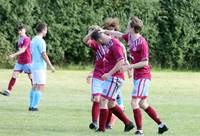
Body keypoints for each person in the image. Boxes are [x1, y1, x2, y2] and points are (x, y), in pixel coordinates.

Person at [102, 16, 168, 135]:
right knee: (143, 104)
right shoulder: (130, 37)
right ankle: (161, 125)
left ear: (132, 28)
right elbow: (119, 34)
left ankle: (139, 131)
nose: (126, 27)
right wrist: (105, 31)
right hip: (138, 77)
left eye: (128, 25)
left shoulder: (142, 42)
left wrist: (129, 67)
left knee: (134, 102)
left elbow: (145, 62)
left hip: (144, 76)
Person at [90, 30, 134, 132]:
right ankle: (128, 123)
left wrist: (109, 74)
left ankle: (101, 129)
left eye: (98, 42)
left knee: (103, 100)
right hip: (112, 78)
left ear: (100, 39)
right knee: (111, 104)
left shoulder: (115, 45)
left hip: (115, 77)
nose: (98, 45)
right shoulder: (109, 44)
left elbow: (120, 61)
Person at [29, 23, 55, 111]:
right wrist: (50, 65)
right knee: (41, 85)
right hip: (39, 66)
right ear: (43, 30)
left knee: (35, 85)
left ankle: (31, 105)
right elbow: (43, 54)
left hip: (34, 65)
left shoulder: (33, 40)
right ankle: (34, 106)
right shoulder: (41, 41)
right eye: (46, 30)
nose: (46, 32)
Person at [83, 25, 106, 129]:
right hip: (98, 74)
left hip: (109, 75)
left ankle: (107, 123)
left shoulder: (110, 43)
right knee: (96, 98)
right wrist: (91, 32)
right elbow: (85, 40)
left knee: (106, 101)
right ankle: (94, 123)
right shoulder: (96, 45)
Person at [0, 25, 32, 96]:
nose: (19, 31)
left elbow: (23, 50)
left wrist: (13, 55)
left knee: (31, 77)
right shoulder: (20, 39)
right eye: (19, 30)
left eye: (21, 30)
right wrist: (16, 55)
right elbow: (20, 50)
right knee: (14, 75)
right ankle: (8, 91)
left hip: (27, 61)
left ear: (25, 30)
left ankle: (35, 90)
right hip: (20, 61)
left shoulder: (27, 39)